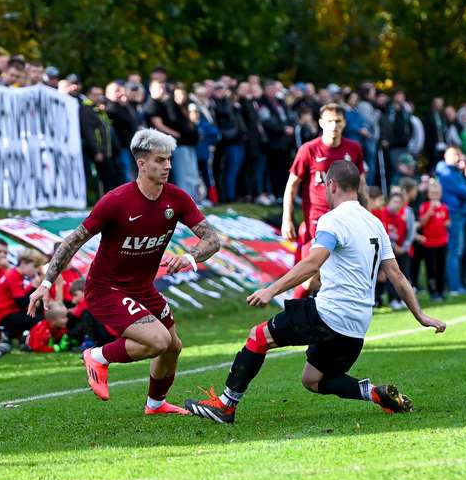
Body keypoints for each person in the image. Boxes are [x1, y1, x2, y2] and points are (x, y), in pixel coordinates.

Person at [183, 160, 446, 424]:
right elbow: (397, 275)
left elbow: (312, 262)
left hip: (329, 314)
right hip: (357, 325)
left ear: (331, 185)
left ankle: (225, 406)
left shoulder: (333, 220)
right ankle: (376, 394)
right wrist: (420, 315)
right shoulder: (374, 223)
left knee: (258, 336)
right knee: (313, 380)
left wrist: (270, 290)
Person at [28, 129, 222, 415]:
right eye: (159, 160)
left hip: (143, 289)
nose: (167, 166)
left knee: (173, 347)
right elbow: (73, 240)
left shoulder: (177, 199)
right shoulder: (116, 201)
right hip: (107, 290)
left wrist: (189, 257)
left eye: (169, 159)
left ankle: (155, 405)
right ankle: (97, 356)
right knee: (159, 341)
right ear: (142, 164)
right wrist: (46, 282)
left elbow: (213, 240)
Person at [281, 103, 366, 299]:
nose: (334, 126)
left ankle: (328, 318)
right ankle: (292, 315)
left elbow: (361, 184)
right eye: (329, 121)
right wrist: (287, 218)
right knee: (310, 276)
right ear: (321, 123)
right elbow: (292, 185)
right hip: (317, 222)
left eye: (338, 121)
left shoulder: (353, 149)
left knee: (343, 272)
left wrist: (366, 213)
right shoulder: (308, 150)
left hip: (347, 220)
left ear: (344, 123)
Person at [435, 147, 466, 295]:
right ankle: (455, 287)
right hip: (453, 214)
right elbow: (465, 192)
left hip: (456, 214)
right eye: (455, 155)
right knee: (454, 251)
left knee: (454, 250)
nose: (458, 158)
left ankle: (454, 285)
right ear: (447, 156)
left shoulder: (451, 171)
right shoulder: (447, 173)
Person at [0, 248, 45, 341]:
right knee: (41, 319)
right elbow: (21, 303)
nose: (36, 271)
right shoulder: (13, 276)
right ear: (24, 263)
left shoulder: (16, 275)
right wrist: (33, 287)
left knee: (38, 312)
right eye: (35, 267)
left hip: (8, 314)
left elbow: (22, 298)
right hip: (4, 317)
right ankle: (30, 340)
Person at [416, 179, 450, 301]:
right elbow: (421, 223)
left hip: (442, 242)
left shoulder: (444, 207)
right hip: (429, 243)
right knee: (431, 269)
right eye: (432, 192)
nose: (435, 195)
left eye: (437, 192)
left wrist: (446, 224)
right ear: (428, 194)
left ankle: (441, 291)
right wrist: (430, 211)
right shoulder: (424, 206)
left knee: (441, 267)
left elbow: (447, 222)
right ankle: (433, 292)